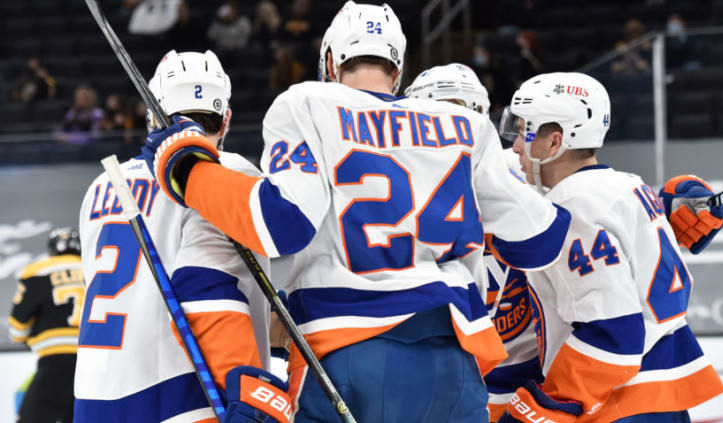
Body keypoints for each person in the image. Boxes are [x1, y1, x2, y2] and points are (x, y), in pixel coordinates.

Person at [142, 2, 572, 421]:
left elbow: (282, 224)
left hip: (344, 353)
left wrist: (189, 169)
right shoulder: (467, 126)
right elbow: (540, 241)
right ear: (399, 69)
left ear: (330, 61)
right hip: (454, 359)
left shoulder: (306, 103)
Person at [497, 72, 723, 423]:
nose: (515, 146)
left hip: (615, 401)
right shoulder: (630, 186)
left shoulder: (571, 208)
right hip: (661, 397)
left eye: (526, 130)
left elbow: (613, 332)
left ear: (555, 142)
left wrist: (550, 406)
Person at [74, 50, 286, 423]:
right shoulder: (226, 173)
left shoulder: (101, 185)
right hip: (185, 399)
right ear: (227, 121)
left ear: (151, 116)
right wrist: (254, 398)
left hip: (94, 398)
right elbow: (209, 295)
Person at [405, 63, 542, 422]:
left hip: (518, 373)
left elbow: (590, 197)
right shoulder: (515, 168)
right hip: (450, 368)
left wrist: (667, 201)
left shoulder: (521, 166)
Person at [9, 227, 84, 423]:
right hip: (93, 362)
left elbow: (17, 328)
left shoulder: (38, 270)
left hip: (54, 362)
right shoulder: (95, 269)